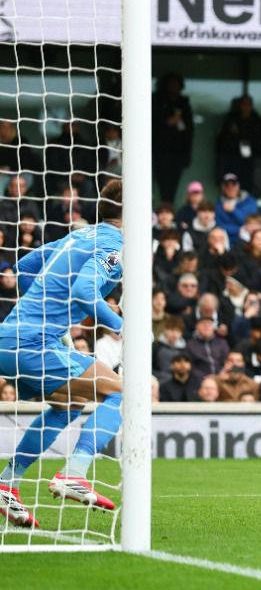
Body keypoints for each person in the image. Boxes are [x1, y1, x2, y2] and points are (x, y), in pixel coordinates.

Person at [0, 180, 126, 526]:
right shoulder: (117, 243)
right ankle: (74, 472)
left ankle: (7, 483)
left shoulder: (78, 235)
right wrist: (120, 323)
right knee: (121, 394)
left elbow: (24, 268)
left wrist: (48, 317)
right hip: (33, 345)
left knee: (68, 403)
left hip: (9, 339)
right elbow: (85, 291)